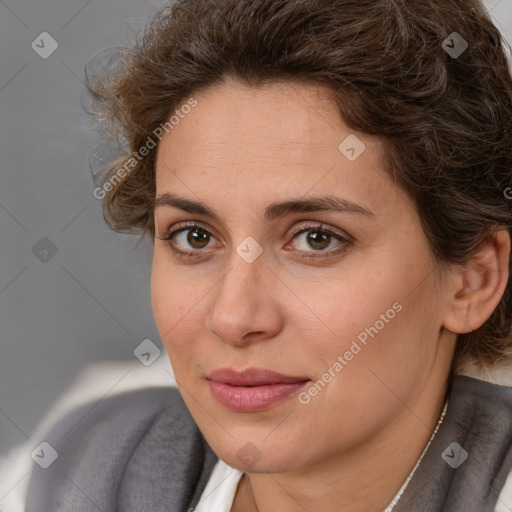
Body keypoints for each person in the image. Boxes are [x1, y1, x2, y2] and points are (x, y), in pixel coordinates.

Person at [23, 0, 512, 510]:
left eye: (316, 239)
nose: (233, 317)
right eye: (194, 236)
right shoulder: (85, 461)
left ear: (473, 279)